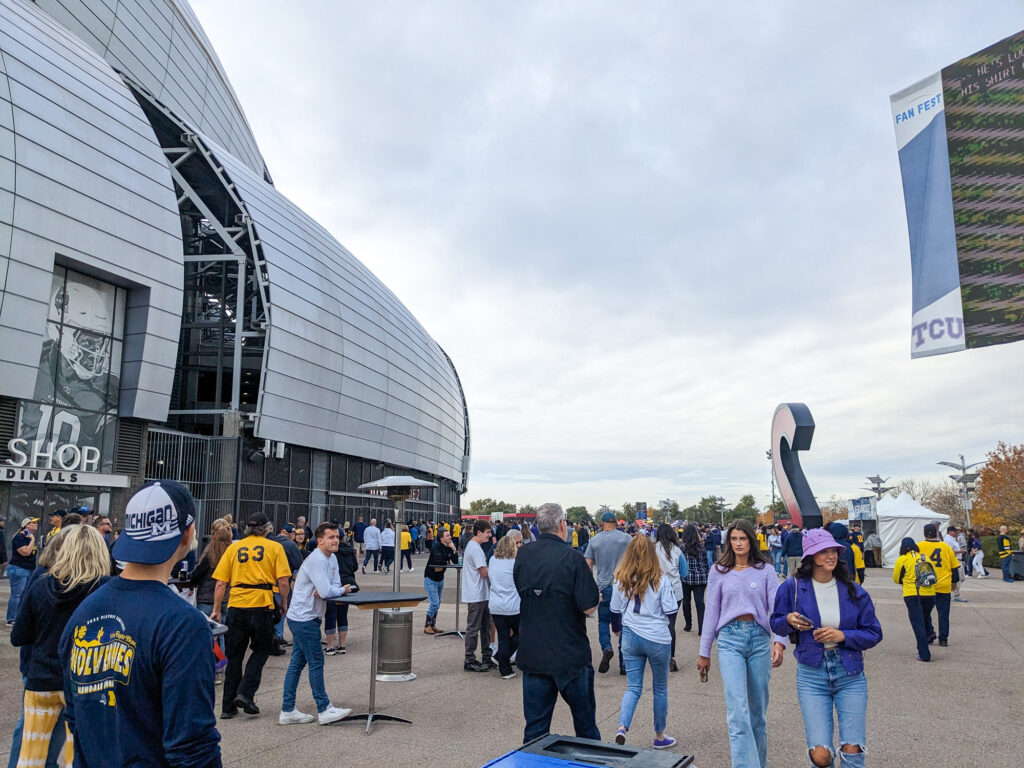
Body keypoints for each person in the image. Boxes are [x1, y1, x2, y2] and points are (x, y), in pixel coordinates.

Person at [59, 480, 221, 767]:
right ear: (187, 534)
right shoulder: (183, 625)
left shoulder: (85, 611)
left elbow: (77, 718)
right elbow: (193, 746)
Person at [772, 527, 882, 768]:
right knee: (820, 755)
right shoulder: (792, 588)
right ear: (811, 556)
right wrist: (789, 621)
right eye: (823, 551)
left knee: (852, 750)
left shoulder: (854, 590)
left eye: (833, 550)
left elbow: (874, 632)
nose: (831, 555)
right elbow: (776, 622)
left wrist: (843, 635)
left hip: (850, 674)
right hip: (812, 675)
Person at [12, 525, 109, 767]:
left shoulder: (40, 584)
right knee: (76, 756)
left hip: (41, 679)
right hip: (83, 682)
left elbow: (18, 636)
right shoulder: (104, 589)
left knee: (31, 755)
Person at [698, 519, 786, 768]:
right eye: (734, 539)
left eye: (743, 538)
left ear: (751, 540)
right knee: (738, 713)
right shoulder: (718, 571)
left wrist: (779, 641)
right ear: (728, 542)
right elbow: (711, 612)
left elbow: (776, 608)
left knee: (757, 714)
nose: (738, 543)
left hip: (759, 638)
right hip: (729, 640)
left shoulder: (765, 570)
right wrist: (704, 651)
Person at [513, 503, 600, 742]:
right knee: (585, 728)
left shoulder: (524, 554)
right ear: (562, 525)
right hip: (569, 653)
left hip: (533, 652)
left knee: (535, 730)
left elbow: (522, 591)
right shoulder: (572, 557)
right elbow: (588, 605)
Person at [211, 512, 291, 719]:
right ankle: (246, 693)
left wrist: (217, 608)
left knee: (235, 656)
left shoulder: (234, 548)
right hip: (262, 603)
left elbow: (220, 582)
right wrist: (283, 603)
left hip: (237, 604)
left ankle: (227, 707)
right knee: (261, 649)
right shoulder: (275, 548)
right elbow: (283, 581)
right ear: (267, 528)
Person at [279, 522, 353, 725]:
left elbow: (332, 586)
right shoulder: (317, 560)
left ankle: (287, 709)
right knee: (316, 661)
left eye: (337, 537)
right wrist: (340, 590)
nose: (336, 540)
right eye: (331, 537)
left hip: (306, 617)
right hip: (303, 618)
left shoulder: (332, 559)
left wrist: (332, 589)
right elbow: (332, 590)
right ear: (319, 540)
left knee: (297, 663)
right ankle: (324, 708)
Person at [610, 536, 678, 750]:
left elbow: (614, 610)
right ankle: (659, 735)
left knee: (633, 687)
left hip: (630, 633)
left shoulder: (620, 577)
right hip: (657, 637)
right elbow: (671, 610)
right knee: (659, 688)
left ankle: (622, 727)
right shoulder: (661, 579)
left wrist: (617, 629)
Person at [584, 510, 632, 675]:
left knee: (603, 621)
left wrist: (590, 587)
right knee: (624, 623)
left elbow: (587, 565)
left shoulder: (594, 540)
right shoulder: (626, 538)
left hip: (604, 586)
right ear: (617, 523)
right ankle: (624, 663)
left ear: (603, 524)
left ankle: (606, 647)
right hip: (624, 584)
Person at [892, 537, 935, 661]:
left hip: (912, 593)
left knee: (917, 623)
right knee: (925, 617)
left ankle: (924, 653)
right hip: (930, 593)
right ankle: (928, 636)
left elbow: (896, 578)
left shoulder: (902, 559)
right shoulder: (925, 557)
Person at [917, 523, 959, 647]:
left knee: (924, 613)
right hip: (944, 584)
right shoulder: (945, 547)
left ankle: (929, 633)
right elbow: (954, 567)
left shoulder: (919, 546)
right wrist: (954, 581)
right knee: (943, 613)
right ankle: (943, 638)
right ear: (936, 533)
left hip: (927, 584)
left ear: (925, 533)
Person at [488, 529, 523, 679]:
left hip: (495, 605)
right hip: (512, 606)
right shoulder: (515, 562)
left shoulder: (493, 560)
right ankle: (502, 657)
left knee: (503, 636)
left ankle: (505, 669)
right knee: (521, 633)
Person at [462, 520, 495, 672]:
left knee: (483, 626)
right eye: (487, 532)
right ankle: (470, 659)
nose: (490, 535)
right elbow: (484, 572)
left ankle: (485, 656)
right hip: (477, 593)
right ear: (479, 532)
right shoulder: (475, 549)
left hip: (479, 593)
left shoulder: (472, 546)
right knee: (475, 628)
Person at [654, 523, 684, 672]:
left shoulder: (652, 549)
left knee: (658, 622)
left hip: (656, 590)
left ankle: (658, 655)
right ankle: (670, 657)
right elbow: (684, 572)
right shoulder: (677, 550)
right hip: (675, 591)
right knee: (670, 624)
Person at [324, 527, 358, 655]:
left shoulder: (330, 553)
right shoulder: (349, 550)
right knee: (343, 615)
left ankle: (330, 646)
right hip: (347, 583)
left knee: (330, 614)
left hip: (333, 584)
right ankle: (342, 644)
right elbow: (355, 566)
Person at [423, 526, 459, 634]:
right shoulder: (436, 547)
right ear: (441, 539)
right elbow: (439, 561)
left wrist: (454, 549)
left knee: (438, 603)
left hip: (440, 579)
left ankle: (433, 624)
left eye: (450, 535)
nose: (450, 537)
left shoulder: (448, 547)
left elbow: (456, 561)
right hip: (431, 578)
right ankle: (427, 625)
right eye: (447, 536)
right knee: (434, 603)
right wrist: (447, 562)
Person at [6, 517, 39, 626]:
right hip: (19, 568)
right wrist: (33, 541)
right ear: (26, 525)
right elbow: (25, 552)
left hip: (28, 568)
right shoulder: (20, 537)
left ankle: (19, 616)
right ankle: (11, 618)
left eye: (36, 523)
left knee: (24, 594)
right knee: (17, 594)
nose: (36, 525)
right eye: (33, 523)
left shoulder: (28, 537)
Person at [679, 523, 709, 635]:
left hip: (686, 578)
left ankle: (688, 624)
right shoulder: (701, 546)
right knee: (700, 603)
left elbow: (680, 564)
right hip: (700, 578)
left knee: (686, 602)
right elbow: (706, 563)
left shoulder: (682, 547)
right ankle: (702, 628)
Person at [943, 526, 966, 602]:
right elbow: (949, 552)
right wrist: (959, 551)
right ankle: (955, 595)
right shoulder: (948, 540)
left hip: (958, 559)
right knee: (957, 578)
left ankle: (953, 593)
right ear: (949, 532)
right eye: (954, 531)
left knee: (961, 577)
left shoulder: (952, 539)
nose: (956, 533)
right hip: (954, 560)